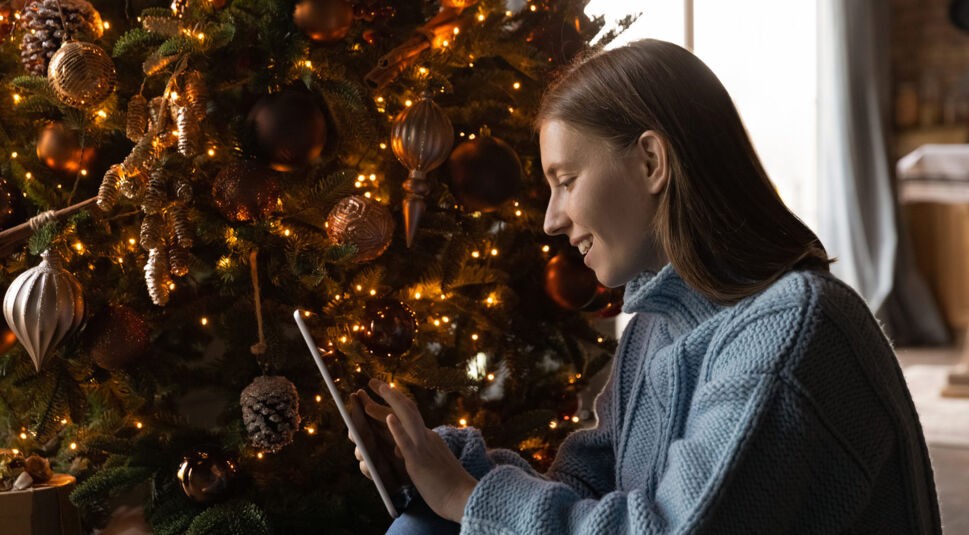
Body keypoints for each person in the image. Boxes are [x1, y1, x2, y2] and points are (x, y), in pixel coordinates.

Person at [349, 38, 943, 534]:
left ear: (652, 162)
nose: (551, 219)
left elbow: (669, 526)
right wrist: (448, 463)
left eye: (566, 179)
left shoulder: (789, 333)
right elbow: (585, 487)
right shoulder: (659, 326)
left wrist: (463, 498)